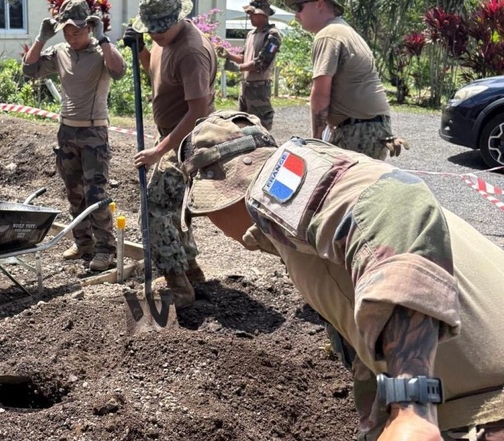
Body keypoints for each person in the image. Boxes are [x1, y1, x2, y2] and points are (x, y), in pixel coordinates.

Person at [177, 110, 504, 441]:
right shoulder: (295, 214)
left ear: (222, 188)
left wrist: (411, 406)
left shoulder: (273, 187)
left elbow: (396, 201)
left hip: (485, 408)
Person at [123, 0, 216, 308]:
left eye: (161, 30)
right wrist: (140, 50)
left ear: (179, 18)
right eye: (151, 30)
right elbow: (157, 71)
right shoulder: (165, 40)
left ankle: (179, 287)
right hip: (172, 139)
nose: (156, 35)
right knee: (174, 212)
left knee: (154, 212)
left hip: (189, 144)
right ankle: (191, 271)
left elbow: (198, 111)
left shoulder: (191, 51)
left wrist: (159, 151)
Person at [22, 0, 125, 271]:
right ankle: (83, 243)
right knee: (74, 193)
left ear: (88, 27)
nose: (71, 36)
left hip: (94, 131)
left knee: (96, 194)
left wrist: (103, 38)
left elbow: (119, 71)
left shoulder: (101, 52)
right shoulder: (60, 52)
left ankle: (106, 250)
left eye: (76, 32)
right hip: (67, 131)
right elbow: (29, 69)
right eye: (66, 32)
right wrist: (41, 39)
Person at [285, 0, 407, 160]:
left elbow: (321, 94)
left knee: (342, 183)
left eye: (299, 7)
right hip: (371, 127)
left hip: (357, 129)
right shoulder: (343, 30)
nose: (296, 14)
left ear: (319, 4)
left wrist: (315, 140)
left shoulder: (328, 35)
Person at [216, 0, 280, 130]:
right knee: (243, 126)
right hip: (246, 87)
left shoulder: (272, 35)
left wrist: (237, 68)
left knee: (260, 127)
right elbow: (244, 58)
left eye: (252, 13)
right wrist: (229, 55)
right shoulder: (251, 34)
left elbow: (261, 62)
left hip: (259, 89)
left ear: (263, 15)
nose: (249, 17)